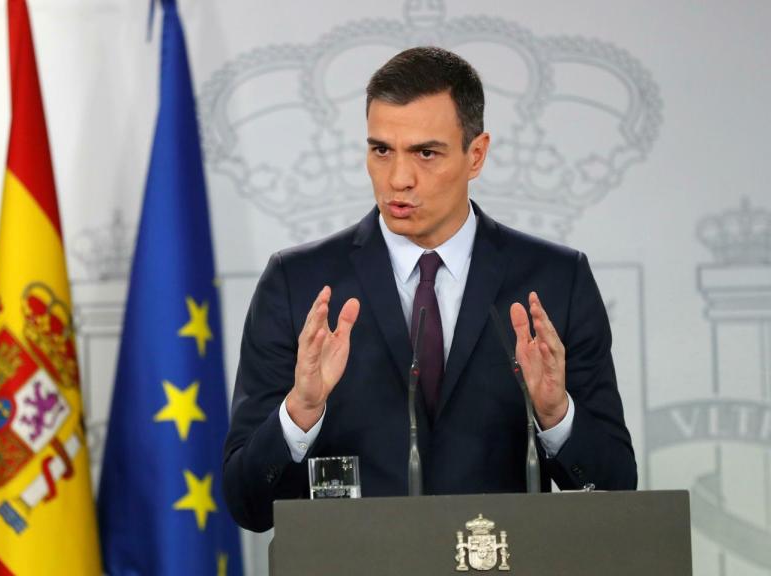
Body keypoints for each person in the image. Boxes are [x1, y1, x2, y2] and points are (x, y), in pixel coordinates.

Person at [222, 46, 636, 533]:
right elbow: (247, 505)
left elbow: (618, 492)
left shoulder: (553, 282)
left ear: (476, 154)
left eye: (426, 153)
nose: (399, 178)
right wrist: (300, 413)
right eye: (381, 150)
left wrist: (555, 415)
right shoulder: (301, 285)